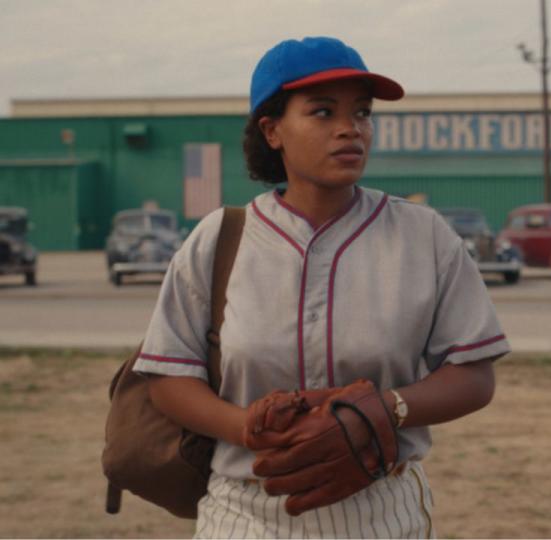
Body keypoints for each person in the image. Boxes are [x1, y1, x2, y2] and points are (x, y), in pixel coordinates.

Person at [133, 36, 510, 538]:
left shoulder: (423, 235)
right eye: (322, 112)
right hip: (246, 507)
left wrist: (385, 408)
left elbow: (475, 375)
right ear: (272, 130)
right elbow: (169, 377)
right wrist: (249, 428)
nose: (349, 129)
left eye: (362, 112)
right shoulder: (221, 238)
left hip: (380, 506)